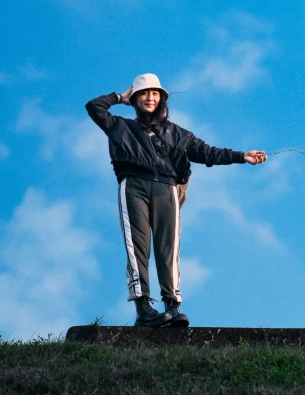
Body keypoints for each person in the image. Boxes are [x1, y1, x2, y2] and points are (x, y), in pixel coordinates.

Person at [86, 73, 267, 328]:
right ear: (135, 98)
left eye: (155, 93)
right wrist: (119, 97)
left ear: (162, 99)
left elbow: (208, 153)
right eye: (144, 93)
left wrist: (241, 156)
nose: (150, 97)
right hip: (133, 185)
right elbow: (94, 106)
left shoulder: (177, 133)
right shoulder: (120, 126)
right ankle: (143, 308)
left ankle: (172, 306)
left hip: (167, 188)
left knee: (168, 247)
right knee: (136, 246)